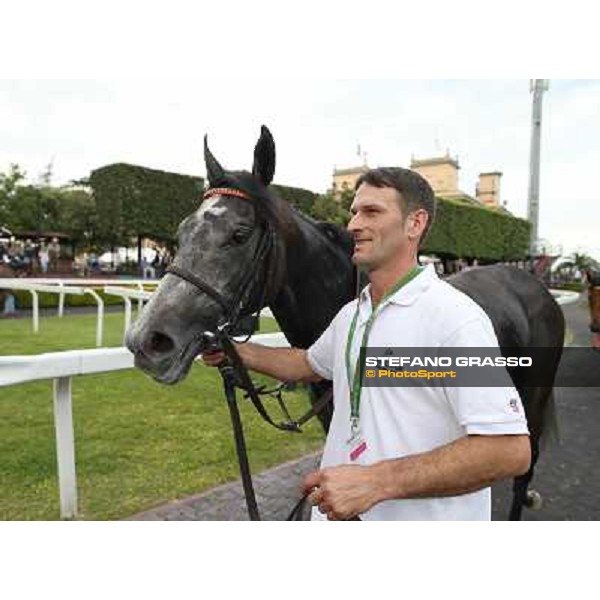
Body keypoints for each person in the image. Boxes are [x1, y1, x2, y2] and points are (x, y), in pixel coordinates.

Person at [203, 167, 530, 521]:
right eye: (354, 212)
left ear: (414, 224)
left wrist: (376, 482)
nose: (354, 224)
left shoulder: (456, 320)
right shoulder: (352, 313)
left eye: (371, 212)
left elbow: (509, 450)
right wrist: (236, 351)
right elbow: (306, 364)